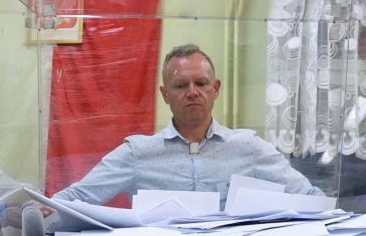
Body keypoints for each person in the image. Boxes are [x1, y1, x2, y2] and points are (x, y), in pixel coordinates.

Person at [53, 44, 322, 205]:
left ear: (216, 89)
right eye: (181, 85)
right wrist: (39, 211)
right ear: (165, 94)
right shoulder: (138, 153)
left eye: (201, 83)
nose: (192, 92)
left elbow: (307, 195)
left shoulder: (248, 147)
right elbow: (77, 198)